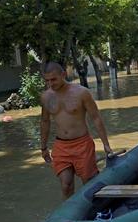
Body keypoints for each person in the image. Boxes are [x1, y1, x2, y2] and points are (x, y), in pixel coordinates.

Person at [40, 62, 113, 199]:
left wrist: (106, 145)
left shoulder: (82, 93)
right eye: (47, 80)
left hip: (82, 144)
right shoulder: (46, 97)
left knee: (89, 184)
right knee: (66, 185)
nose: (50, 84)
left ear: (63, 74)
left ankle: (97, 213)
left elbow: (96, 118)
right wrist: (43, 147)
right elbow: (45, 121)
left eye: (53, 79)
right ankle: (69, 217)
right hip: (61, 146)